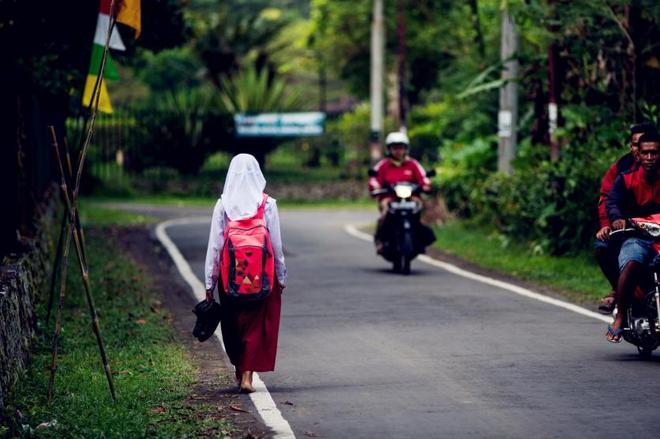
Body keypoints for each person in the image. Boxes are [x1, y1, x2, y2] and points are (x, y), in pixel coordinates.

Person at [204, 154, 287, 392]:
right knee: (255, 324)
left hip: (230, 278)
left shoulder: (223, 205)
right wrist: (281, 277)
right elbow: (276, 245)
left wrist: (210, 282)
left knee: (233, 324)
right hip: (262, 277)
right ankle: (248, 377)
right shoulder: (267, 204)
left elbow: (215, 246)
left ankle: (240, 371)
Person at [605, 131, 660, 342]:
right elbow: (611, 201)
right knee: (630, 264)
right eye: (645, 153)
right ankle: (620, 317)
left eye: (654, 153)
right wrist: (617, 218)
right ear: (638, 154)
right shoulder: (626, 179)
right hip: (637, 237)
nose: (649, 158)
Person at [595, 122, 656, 314]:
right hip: (627, 227)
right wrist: (608, 224)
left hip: (655, 228)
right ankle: (619, 293)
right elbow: (608, 199)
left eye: (648, 148)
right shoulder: (622, 170)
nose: (644, 154)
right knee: (603, 247)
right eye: (636, 145)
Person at [368, 131, 432, 253]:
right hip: (389, 197)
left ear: (405, 149)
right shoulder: (383, 165)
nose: (398, 151)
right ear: (389, 149)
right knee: (385, 213)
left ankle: (420, 240)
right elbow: (374, 179)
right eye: (395, 148)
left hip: (411, 197)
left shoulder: (413, 164)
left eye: (401, 148)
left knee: (419, 210)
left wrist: (426, 185)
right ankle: (380, 240)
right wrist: (375, 187)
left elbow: (424, 177)